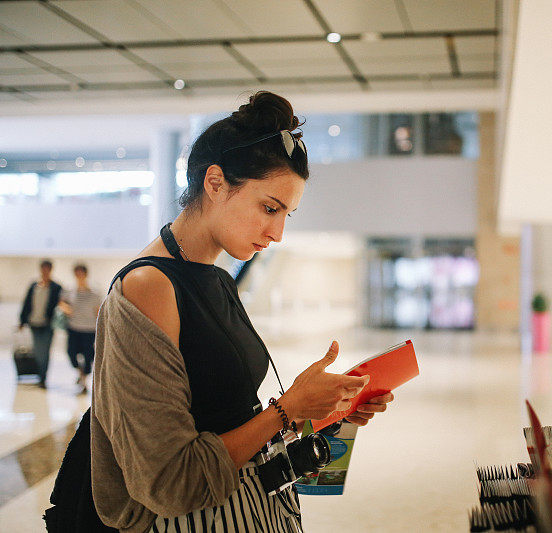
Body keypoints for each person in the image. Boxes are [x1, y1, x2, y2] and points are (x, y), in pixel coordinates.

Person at [91, 91, 394, 533]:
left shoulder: (217, 279)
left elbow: (227, 415)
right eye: (270, 208)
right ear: (215, 183)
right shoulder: (148, 289)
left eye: (287, 214)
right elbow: (169, 482)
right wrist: (286, 410)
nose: (277, 232)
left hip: (253, 510)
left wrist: (324, 409)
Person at [58, 263, 101, 394]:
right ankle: (79, 372)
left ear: (86, 274)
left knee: (88, 356)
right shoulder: (70, 290)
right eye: (77, 273)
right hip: (74, 327)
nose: (79, 276)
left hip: (89, 328)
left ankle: (83, 381)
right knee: (71, 352)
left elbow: (98, 310)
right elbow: (62, 303)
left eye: (81, 273)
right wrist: (67, 310)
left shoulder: (94, 292)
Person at [19, 259, 62, 388]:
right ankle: (39, 375)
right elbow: (26, 303)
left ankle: (43, 377)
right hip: (34, 322)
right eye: (43, 268)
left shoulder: (56, 287)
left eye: (47, 269)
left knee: (45, 351)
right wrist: (22, 320)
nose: (45, 271)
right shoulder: (33, 286)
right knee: (38, 351)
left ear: (50, 270)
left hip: (48, 324)